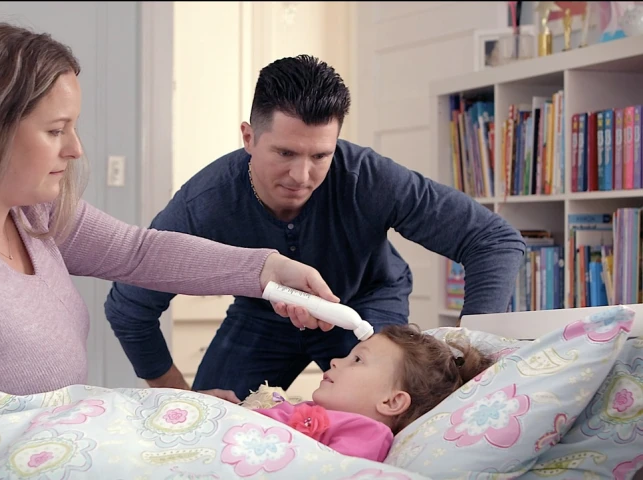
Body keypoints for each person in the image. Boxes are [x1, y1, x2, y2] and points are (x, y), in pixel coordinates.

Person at [0, 24, 341, 480]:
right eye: (55, 130)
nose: (74, 149)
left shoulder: (30, 217)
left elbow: (140, 252)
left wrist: (268, 269)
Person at [104, 54, 526, 403]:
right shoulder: (203, 204)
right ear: (249, 137)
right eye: (285, 152)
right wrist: (176, 397)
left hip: (365, 306)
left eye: (321, 155)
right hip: (261, 317)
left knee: (383, 420)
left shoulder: (370, 177)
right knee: (208, 425)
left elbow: (493, 240)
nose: (301, 175)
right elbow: (128, 308)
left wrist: (474, 348)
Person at [246, 324, 495, 461]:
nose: (334, 361)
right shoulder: (312, 408)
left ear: (391, 401)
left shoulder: (367, 433)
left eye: (357, 360)